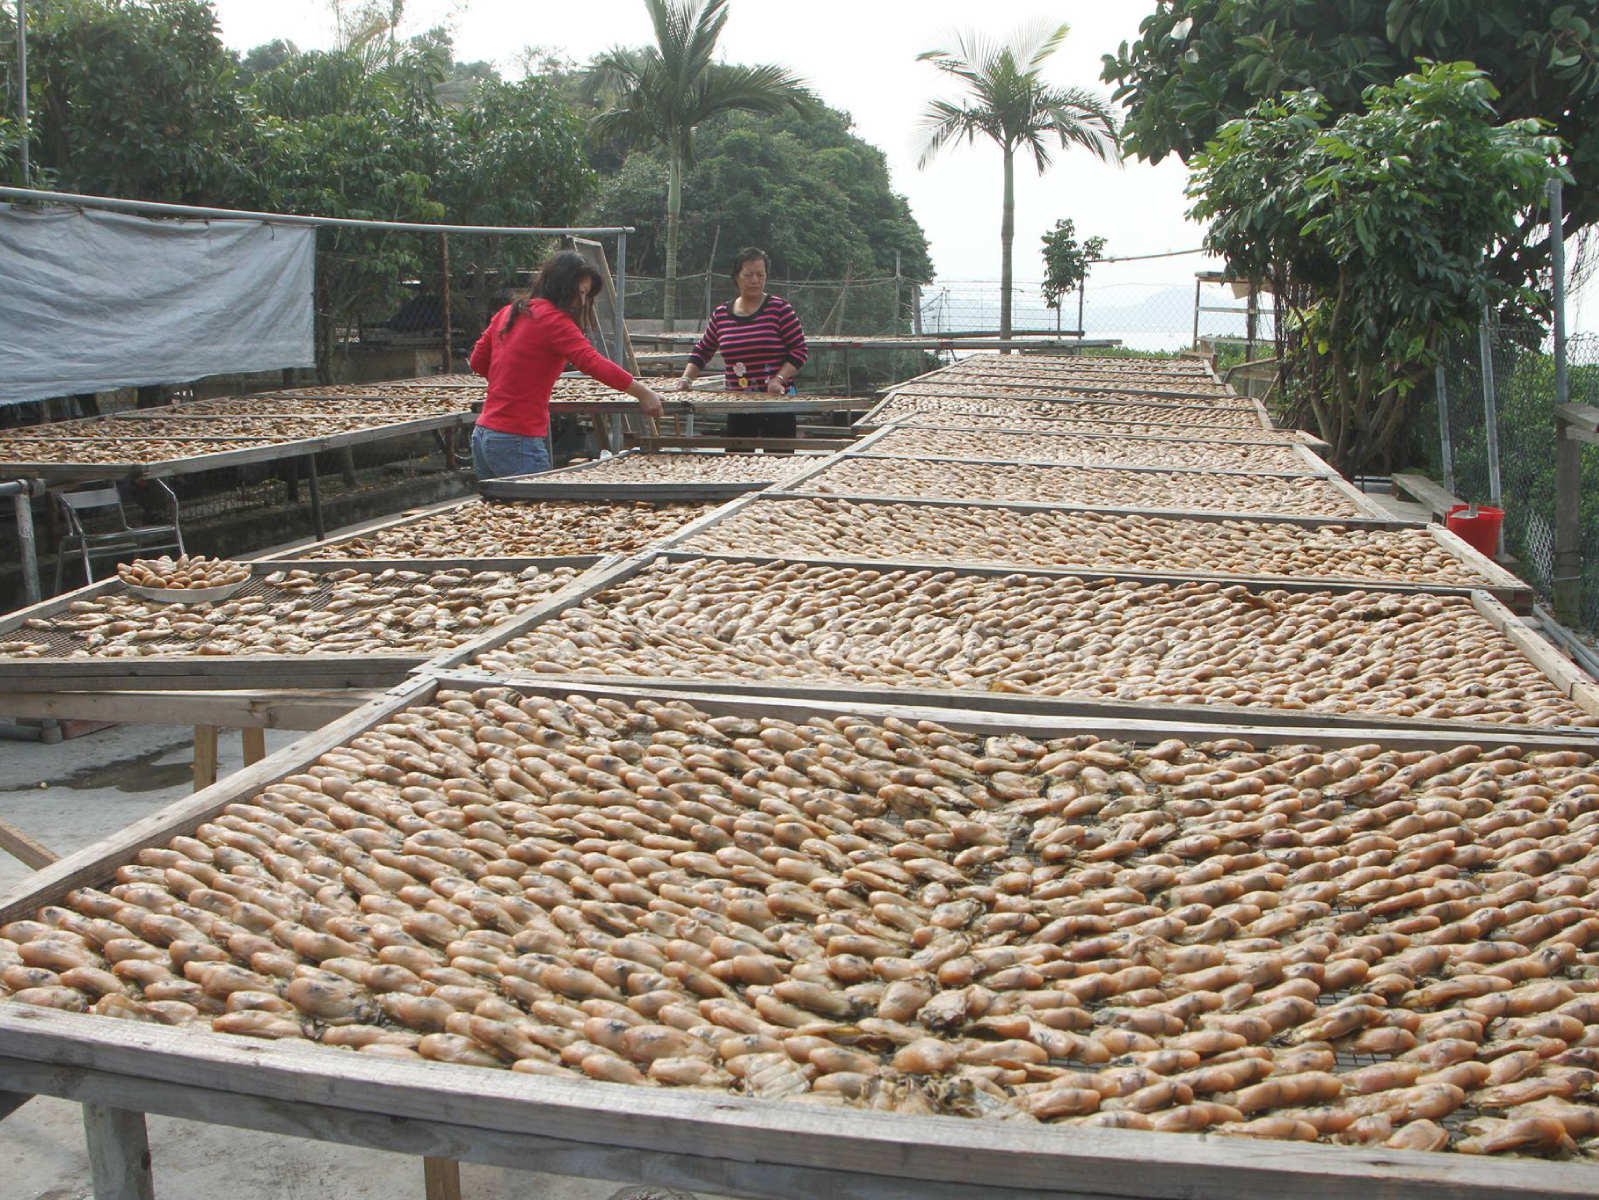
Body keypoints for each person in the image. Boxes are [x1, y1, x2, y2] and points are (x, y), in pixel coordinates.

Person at [469, 251, 664, 480]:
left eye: (586, 294)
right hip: (517, 440)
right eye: (580, 293)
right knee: (536, 511)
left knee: (500, 512)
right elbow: (592, 362)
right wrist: (643, 392)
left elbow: (477, 362)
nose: (582, 302)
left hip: (483, 435)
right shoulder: (555, 321)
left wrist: (515, 382)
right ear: (563, 286)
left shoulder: (509, 312)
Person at [676, 247, 808, 439]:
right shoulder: (721, 314)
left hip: (777, 402)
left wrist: (779, 379)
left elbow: (799, 350)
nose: (755, 280)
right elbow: (703, 350)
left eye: (760, 275)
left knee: (779, 460)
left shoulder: (780, 309)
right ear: (736, 277)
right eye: (748, 275)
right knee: (738, 453)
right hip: (738, 403)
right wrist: (686, 379)